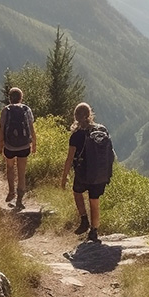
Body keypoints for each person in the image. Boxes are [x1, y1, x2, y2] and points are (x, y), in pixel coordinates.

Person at [61, 102, 106, 243]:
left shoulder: (76, 135)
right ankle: (94, 231)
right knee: (94, 201)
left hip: (83, 173)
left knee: (77, 192)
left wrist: (64, 177)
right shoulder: (101, 130)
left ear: (75, 117)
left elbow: (69, 159)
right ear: (90, 115)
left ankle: (84, 219)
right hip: (99, 173)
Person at [0, 87, 36, 208]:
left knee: (10, 167)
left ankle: (11, 191)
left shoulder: (6, 110)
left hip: (9, 146)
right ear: (21, 98)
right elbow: (31, 128)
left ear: (10, 98)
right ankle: (20, 200)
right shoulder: (26, 109)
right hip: (24, 145)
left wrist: (0, 145)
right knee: (21, 172)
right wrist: (34, 143)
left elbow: (1, 129)